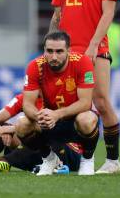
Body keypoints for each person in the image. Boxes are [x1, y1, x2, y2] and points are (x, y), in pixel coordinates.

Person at [49, 0, 120, 174]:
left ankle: (113, 160)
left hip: (95, 49)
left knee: (100, 102)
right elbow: (57, 14)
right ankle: (60, 159)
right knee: (64, 108)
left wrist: (92, 46)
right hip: (68, 53)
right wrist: (49, 47)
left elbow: (108, 13)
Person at [19, 31, 100, 176]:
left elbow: (86, 103)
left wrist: (57, 114)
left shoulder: (82, 62)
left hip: (75, 121)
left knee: (86, 119)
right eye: (49, 51)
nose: (54, 57)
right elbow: (27, 104)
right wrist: (40, 116)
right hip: (50, 122)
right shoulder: (34, 66)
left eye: (59, 51)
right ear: (44, 50)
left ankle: (87, 160)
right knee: (22, 125)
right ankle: (49, 158)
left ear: (68, 51)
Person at [0, 92, 82, 173]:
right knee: (2, 126)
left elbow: (47, 127)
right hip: (41, 153)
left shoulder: (60, 98)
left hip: (69, 152)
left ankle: (4, 161)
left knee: (39, 136)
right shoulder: (24, 99)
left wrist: (11, 129)